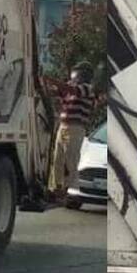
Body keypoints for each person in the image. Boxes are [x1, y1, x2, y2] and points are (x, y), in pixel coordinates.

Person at [43, 62, 97, 201]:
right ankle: (57, 188)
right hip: (63, 126)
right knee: (58, 158)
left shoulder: (87, 88)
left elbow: (70, 90)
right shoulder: (71, 88)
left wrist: (51, 79)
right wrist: (44, 84)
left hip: (75, 128)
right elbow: (55, 92)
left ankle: (68, 190)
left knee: (70, 159)